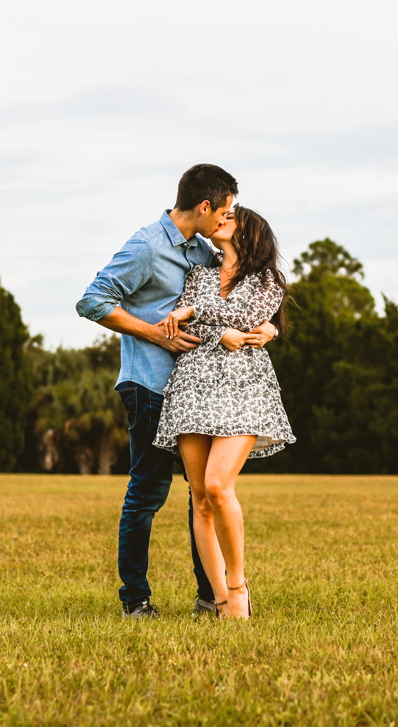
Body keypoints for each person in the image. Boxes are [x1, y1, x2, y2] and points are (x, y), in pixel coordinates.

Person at [75, 164, 278, 619]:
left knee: (202, 495)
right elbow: (92, 300)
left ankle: (212, 598)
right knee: (148, 491)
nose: (229, 218)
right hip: (148, 382)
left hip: (198, 391)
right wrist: (153, 333)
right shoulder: (147, 246)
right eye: (225, 210)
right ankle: (136, 600)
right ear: (206, 207)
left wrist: (269, 325)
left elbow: (236, 293)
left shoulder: (203, 252)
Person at [153, 206, 295, 620]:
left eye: (231, 217)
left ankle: (238, 586)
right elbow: (177, 326)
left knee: (218, 485)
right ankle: (219, 601)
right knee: (200, 498)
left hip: (243, 387)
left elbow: (249, 321)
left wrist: (198, 314)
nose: (221, 219)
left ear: (248, 232)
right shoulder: (197, 275)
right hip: (192, 386)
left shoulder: (268, 280)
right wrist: (199, 321)